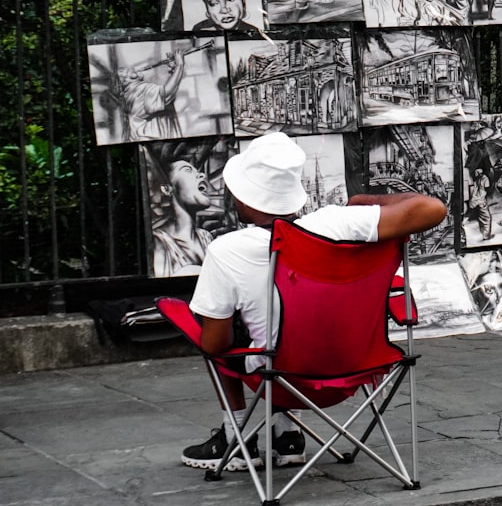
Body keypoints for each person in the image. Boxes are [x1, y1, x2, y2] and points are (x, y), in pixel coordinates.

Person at [181, 132, 447, 471]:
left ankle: (236, 437)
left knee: (228, 335)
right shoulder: (340, 222)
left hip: (282, 378)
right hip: (357, 371)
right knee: (282, 327)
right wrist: (363, 200)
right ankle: (287, 435)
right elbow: (433, 208)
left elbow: (217, 344)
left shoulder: (227, 250)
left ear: (246, 199)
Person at [147, 145, 216, 278]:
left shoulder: (206, 238)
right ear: (167, 189)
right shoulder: (159, 243)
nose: (202, 175)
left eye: (199, 171)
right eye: (188, 170)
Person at [112, 50, 185, 141]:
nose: (135, 69)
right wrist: (179, 65)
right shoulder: (139, 90)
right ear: (125, 81)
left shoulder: (131, 93)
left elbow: (165, 98)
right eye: (129, 70)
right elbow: (166, 93)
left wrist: (173, 71)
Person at [191, 0, 260, 32]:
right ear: (208, 11)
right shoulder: (200, 30)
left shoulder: (253, 31)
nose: (224, 10)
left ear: (243, 2)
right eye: (214, 3)